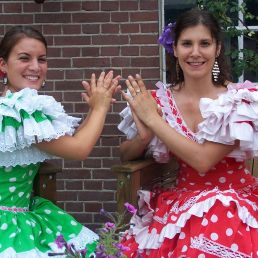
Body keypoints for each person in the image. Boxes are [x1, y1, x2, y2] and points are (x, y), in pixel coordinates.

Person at [118, 8, 258, 257]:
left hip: (235, 201)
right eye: (187, 44)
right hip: (181, 201)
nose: (195, 52)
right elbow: (125, 155)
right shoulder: (159, 100)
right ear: (175, 49)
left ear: (217, 49)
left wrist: (153, 120)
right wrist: (144, 136)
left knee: (217, 213)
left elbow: (202, 160)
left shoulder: (238, 101)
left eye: (204, 43)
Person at [0, 25, 120, 257]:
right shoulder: (16, 113)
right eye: (24, 58)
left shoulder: (14, 109)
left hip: (22, 213)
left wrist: (94, 109)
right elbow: (78, 149)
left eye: (42, 59)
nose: (35, 67)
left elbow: (70, 141)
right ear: (3, 65)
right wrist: (102, 107)